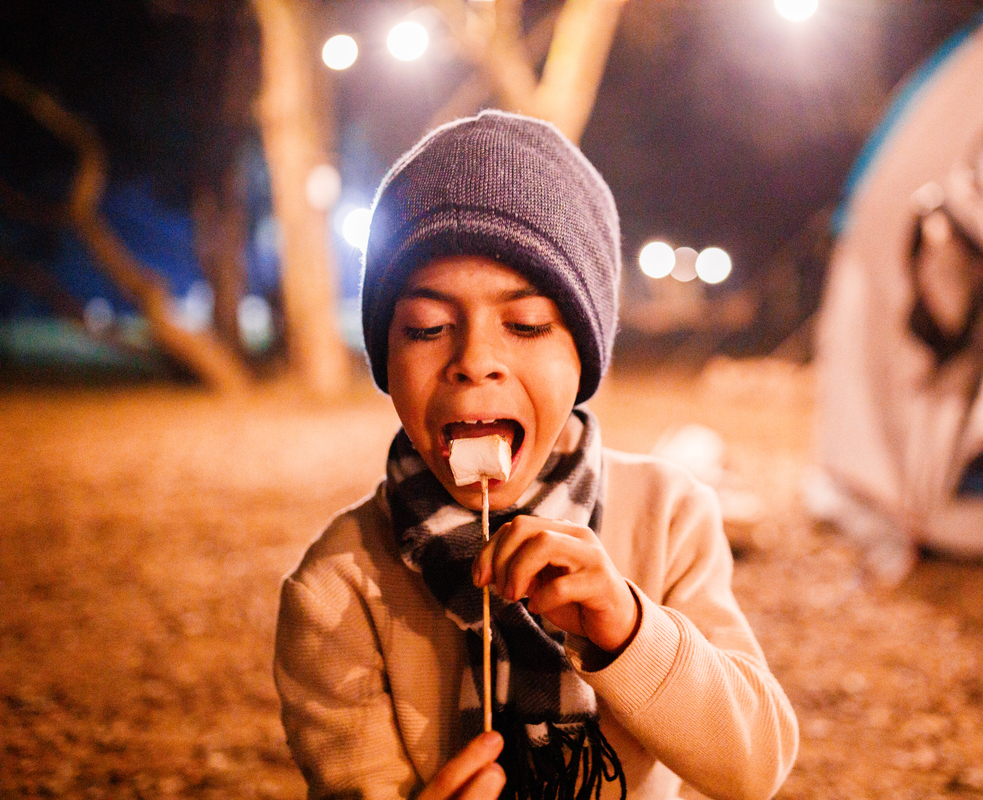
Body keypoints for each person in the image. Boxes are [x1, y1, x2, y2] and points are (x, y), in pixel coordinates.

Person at [274, 110, 799, 800]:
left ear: (582, 354)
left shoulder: (669, 516)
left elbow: (755, 764)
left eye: (525, 324)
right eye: (428, 326)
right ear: (386, 352)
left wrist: (627, 627)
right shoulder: (339, 588)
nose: (475, 361)